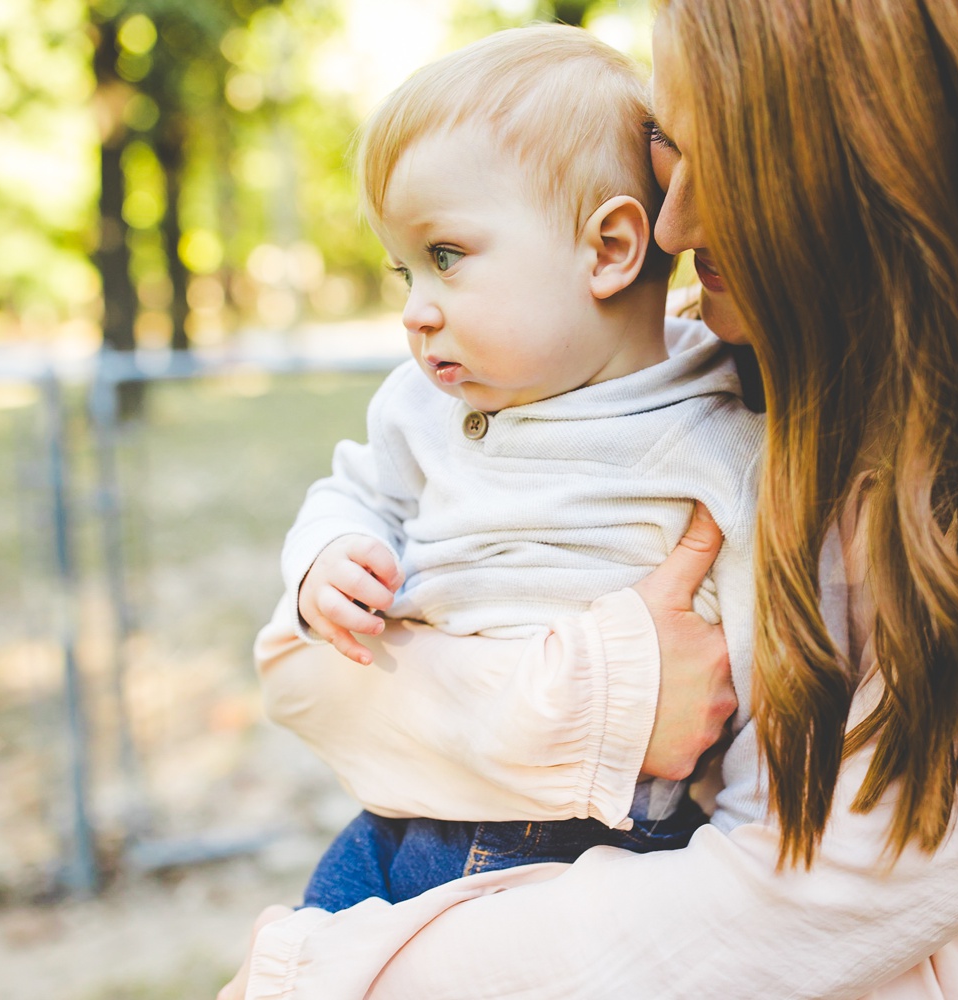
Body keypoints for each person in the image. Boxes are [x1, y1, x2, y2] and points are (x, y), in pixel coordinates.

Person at [224, 0, 958, 996]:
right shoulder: (710, 362)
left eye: (713, 158)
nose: (674, 228)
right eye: (665, 157)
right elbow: (307, 678)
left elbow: (795, 903)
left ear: (871, 159)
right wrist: (594, 696)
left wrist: (332, 972)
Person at [275, 24, 765, 912]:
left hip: (584, 844)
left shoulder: (716, 434)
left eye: (447, 258)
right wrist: (329, 553)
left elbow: (765, 680)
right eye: (405, 272)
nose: (416, 313)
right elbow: (353, 490)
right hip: (393, 812)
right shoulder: (419, 404)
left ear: (609, 249)